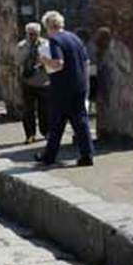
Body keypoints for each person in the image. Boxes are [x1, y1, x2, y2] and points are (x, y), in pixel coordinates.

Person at [35, 10, 93, 167]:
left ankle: (49, 157)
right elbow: (86, 62)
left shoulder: (55, 41)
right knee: (81, 121)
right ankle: (87, 155)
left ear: (48, 26)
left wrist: (44, 60)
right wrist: (84, 83)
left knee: (56, 123)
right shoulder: (75, 38)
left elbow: (58, 64)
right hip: (79, 85)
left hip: (62, 88)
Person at [15, 22, 50, 143]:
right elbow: (18, 61)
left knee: (44, 109)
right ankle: (30, 134)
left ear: (39, 34)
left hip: (43, 81)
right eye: (30, 34)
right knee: (28, 110)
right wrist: (27, 50)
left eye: (35, 34)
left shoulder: (46, 44)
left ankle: (46, 131)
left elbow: (50, 61)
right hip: (28, 82)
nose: (32, 37)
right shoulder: (22, 46)